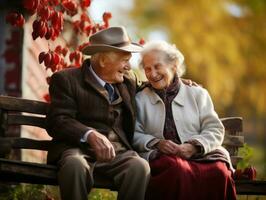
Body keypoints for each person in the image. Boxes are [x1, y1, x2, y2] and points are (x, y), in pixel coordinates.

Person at [46, 26, 150, 200]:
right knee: (74, 165)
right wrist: (89, 134)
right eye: (124, 60)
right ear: (102, 60)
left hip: (118, 153)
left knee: (139, 167)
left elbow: (149, 86)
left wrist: (176, 80)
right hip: (78, 150)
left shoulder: (128, 81)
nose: (128, 66)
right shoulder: (66, 79)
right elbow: (58, 120)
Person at [133, 41, 237, 200]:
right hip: (163, 158)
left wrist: (194, 146)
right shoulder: (140, 98)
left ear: (174, 66)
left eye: (157, 66)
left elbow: (214, 129)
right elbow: (134, 133)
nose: (152, 74)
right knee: (177, 170)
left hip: (201, 155)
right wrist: (157, 143)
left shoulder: (197, 94)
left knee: (219, 172)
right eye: (147, 69)